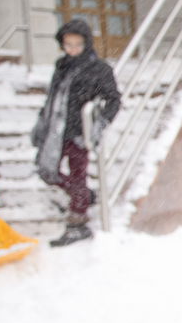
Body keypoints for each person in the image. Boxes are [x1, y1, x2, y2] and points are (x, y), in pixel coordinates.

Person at [30, 18, 121, 247]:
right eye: (68, 44)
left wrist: (99, 123)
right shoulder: (61, 66)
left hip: (80, 131)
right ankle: (84, 196)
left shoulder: (98, 69)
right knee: (46, 169)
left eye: (77, 44)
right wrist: (42, 124)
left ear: (87, 43)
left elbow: (113, 99)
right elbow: (53, 98)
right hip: (56, 131)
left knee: (77, 174)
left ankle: (78, 222)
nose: (72, 49)